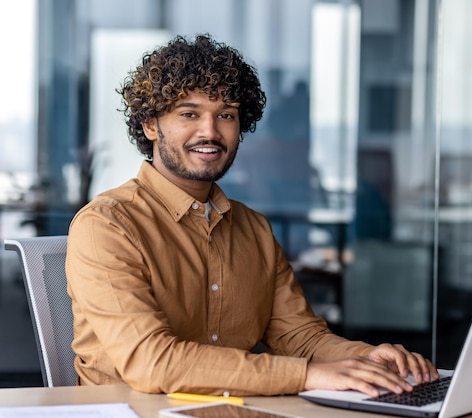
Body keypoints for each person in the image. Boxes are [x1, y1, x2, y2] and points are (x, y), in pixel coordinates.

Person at [65, 33, 438, 397]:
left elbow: (298, 336)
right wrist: (307, 375)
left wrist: (364, 358)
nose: (210, 131)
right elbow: (153, 362)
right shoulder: (107, 226)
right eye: (189, 114)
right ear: (150, 125)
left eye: (225, 115)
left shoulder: (253, 229)